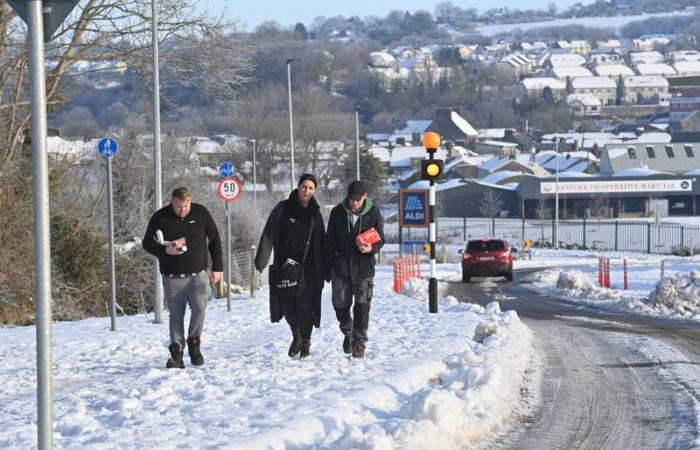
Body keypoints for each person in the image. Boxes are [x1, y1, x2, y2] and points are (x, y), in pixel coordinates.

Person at [142, 187, 223, 369]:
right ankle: (176, 353)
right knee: (176, 316)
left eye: (186, 206)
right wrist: (165, 250)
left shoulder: (201, 212)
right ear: (172, 202)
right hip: (173, 277)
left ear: (190, 201)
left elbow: (215, 239)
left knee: (199, 307)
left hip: (199, 275)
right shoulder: (160, 217)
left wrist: (217, 268)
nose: (183, 210)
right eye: (179, 206)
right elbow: (146, 243)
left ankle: (194, 343)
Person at [255, 174, 326, 359]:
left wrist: (326, 268)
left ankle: (305, 343)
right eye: (304, 187)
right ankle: (296, 334)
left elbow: (323, 242)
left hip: (308, 269)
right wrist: (261, 259)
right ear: (298, 187)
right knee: (287, 308)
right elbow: (269, 232)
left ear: (314, 190)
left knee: (305, 308)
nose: (306, 191)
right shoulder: (283, 209)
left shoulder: (315, 213)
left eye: (310, 188)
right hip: (284, 268)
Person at [325, 180, 384, 358]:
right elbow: (329, 241)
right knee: (340, 305)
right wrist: (328, 268)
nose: (354, 202)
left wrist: (371, 249)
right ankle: (347, 331)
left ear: (365, 197)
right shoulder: (337, 213)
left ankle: (359, 343)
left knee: (362, 307)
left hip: (363, 268)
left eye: (358, 199)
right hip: (340, 268)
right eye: (352, 199)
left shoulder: (374, 213)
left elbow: (380, 239)